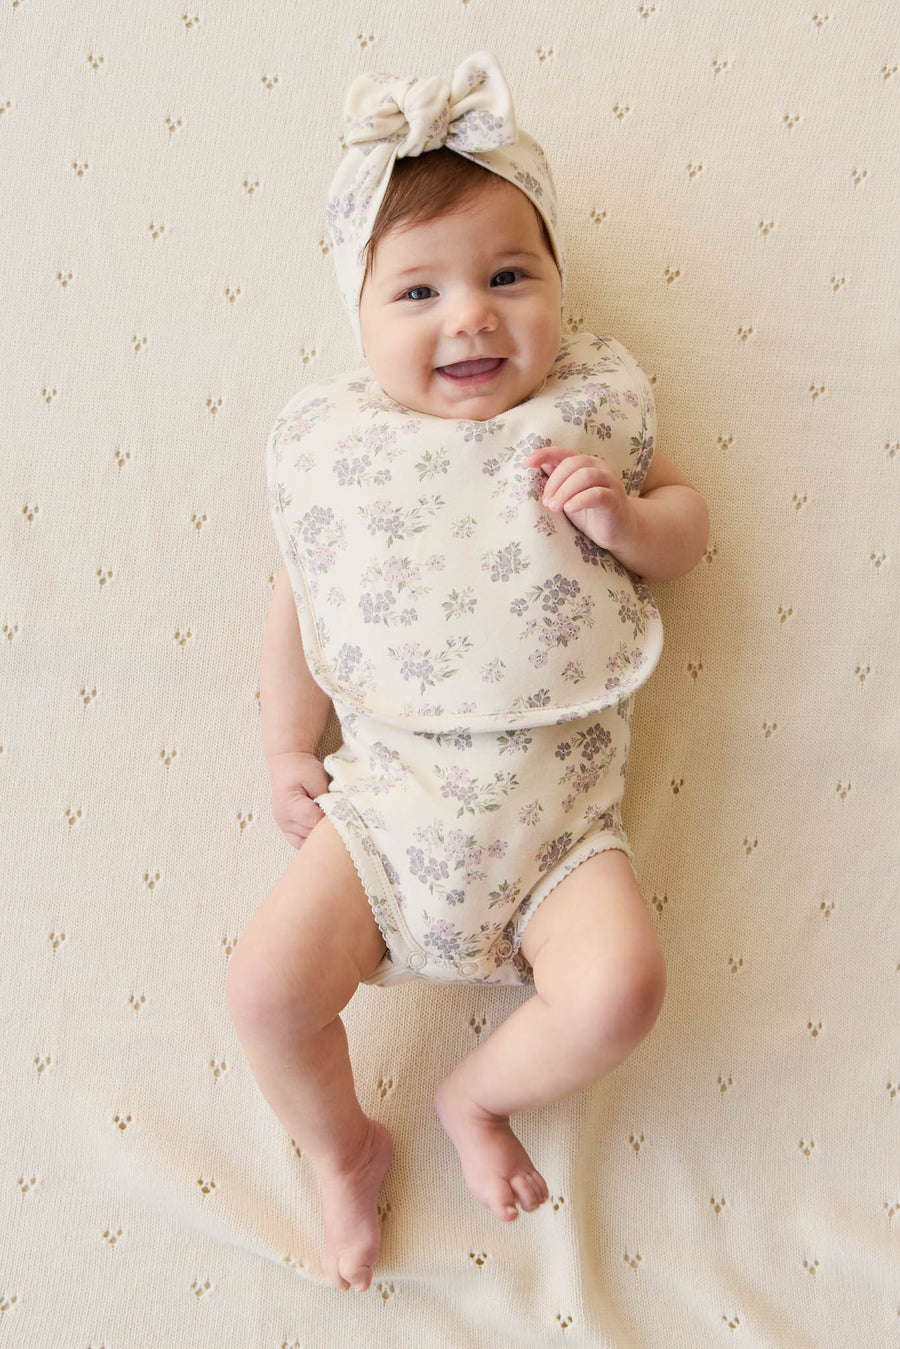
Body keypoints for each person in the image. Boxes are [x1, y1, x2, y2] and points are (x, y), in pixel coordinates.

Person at [225, 52, 710, 1294]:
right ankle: (342, 1146)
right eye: (419, 291)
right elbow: (300, 605)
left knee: (624, 987)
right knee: (265, 993)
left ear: (559, 286)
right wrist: (287, 747)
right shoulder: (347, 455)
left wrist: (626, 524)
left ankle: (478, 1096)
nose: (472, 317)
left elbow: (689, 531)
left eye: (508, 275)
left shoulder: (586, 418)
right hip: (387, 817)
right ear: (359, 317)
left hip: (561, 836)